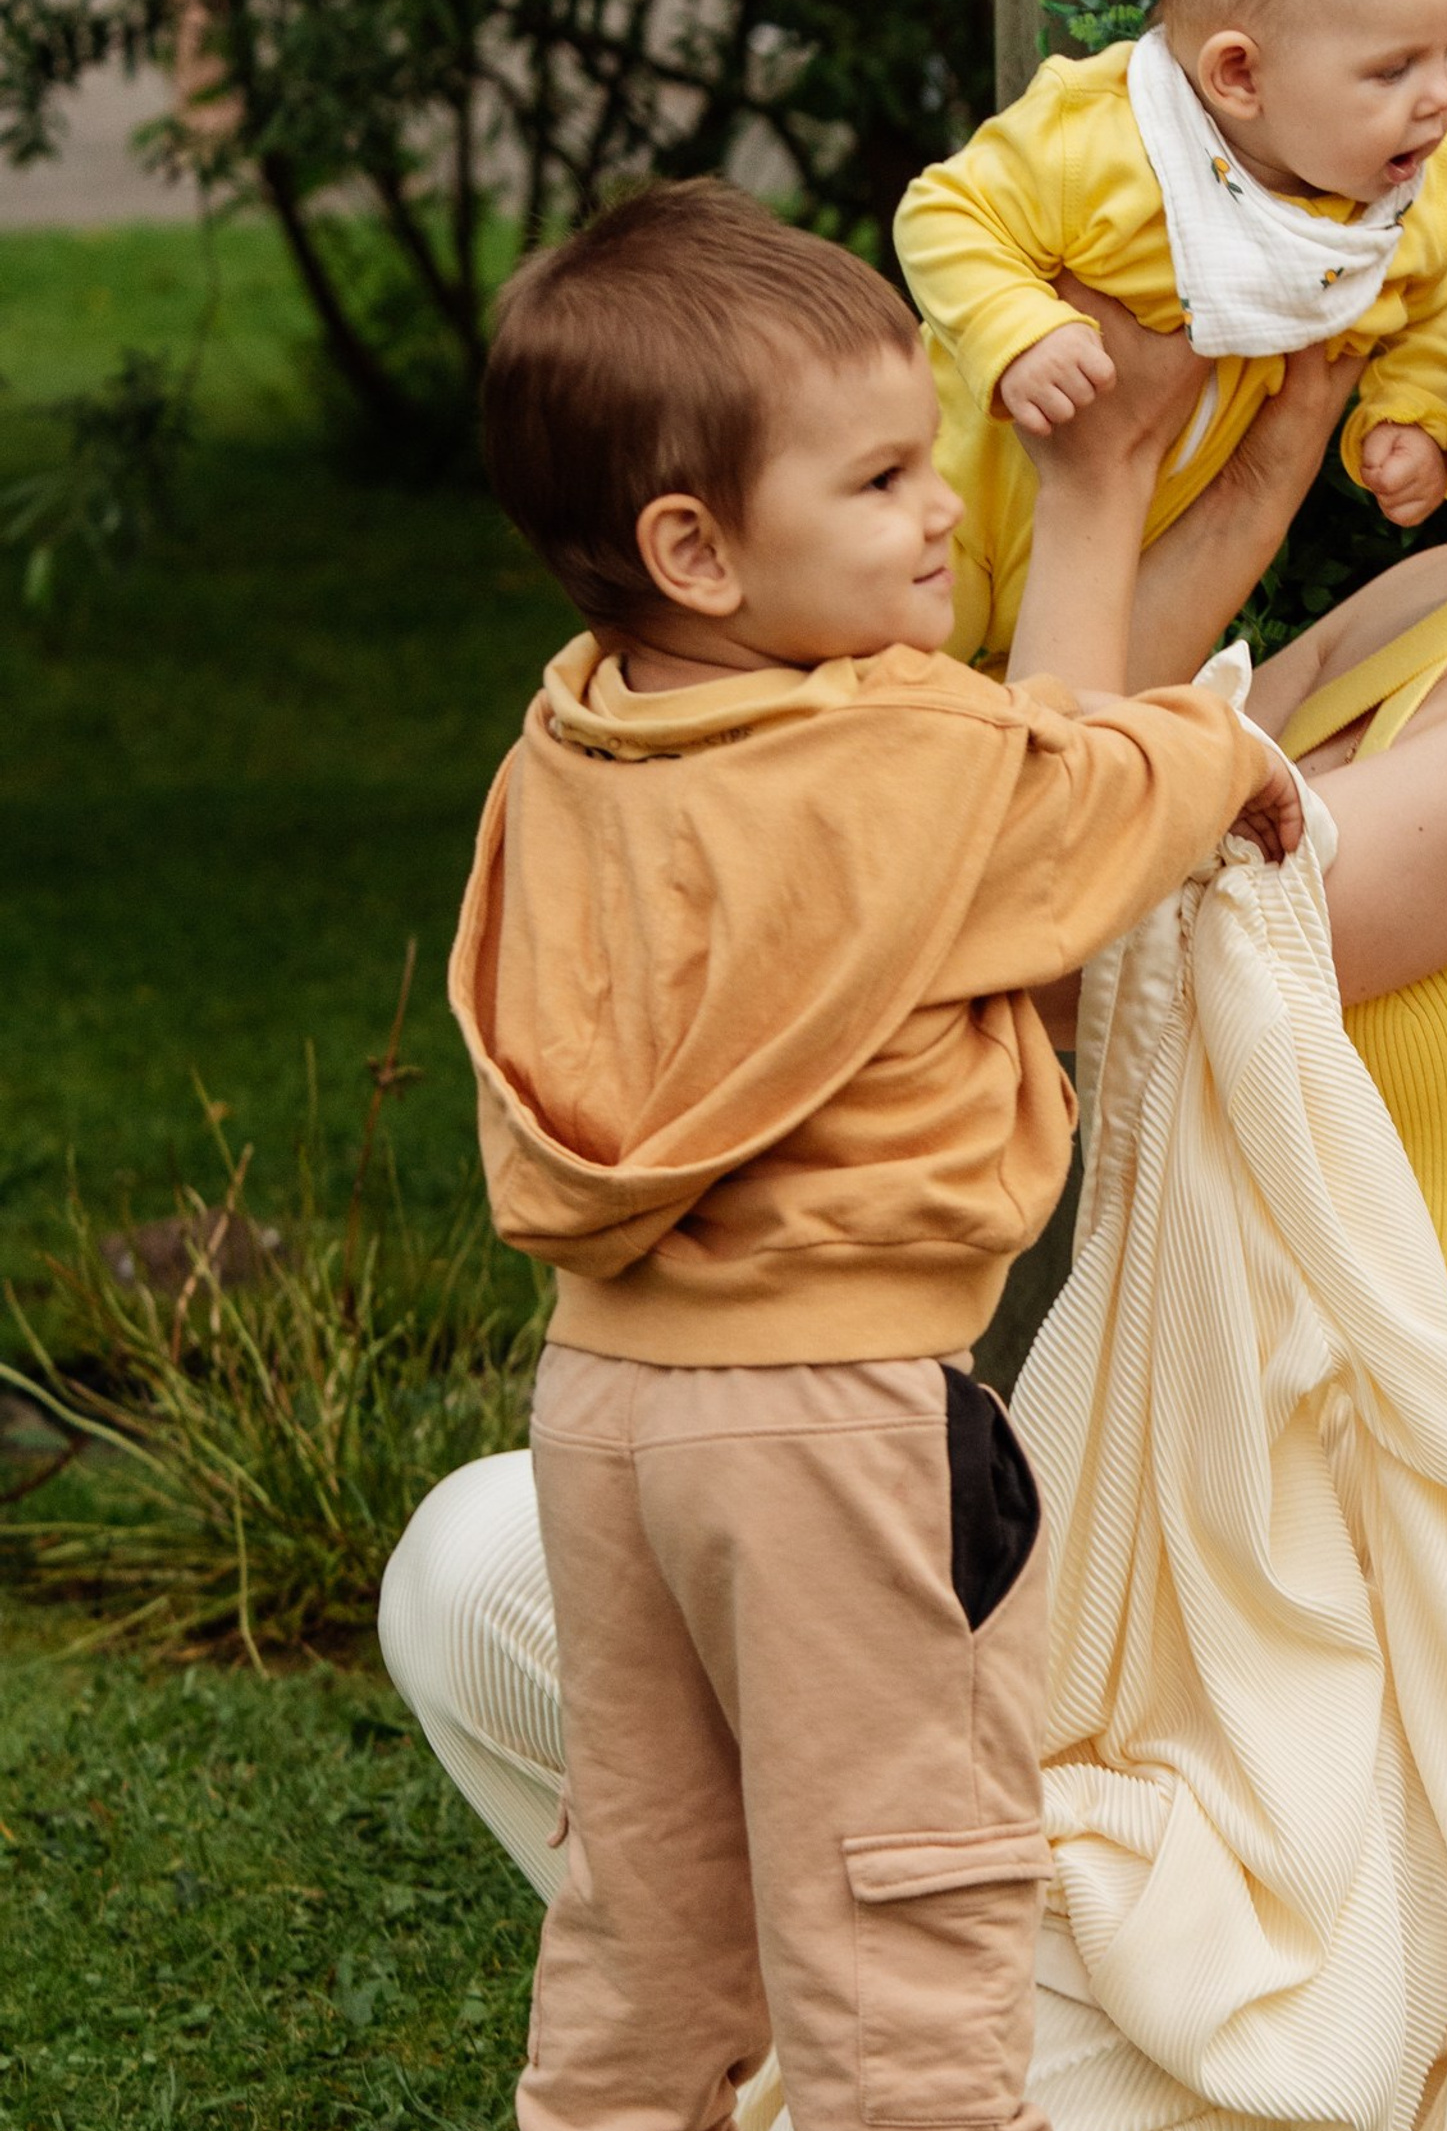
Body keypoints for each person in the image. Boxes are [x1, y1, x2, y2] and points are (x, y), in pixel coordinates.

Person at [385, 51, 1447, 2129]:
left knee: (939, 2028)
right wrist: (1212, 445)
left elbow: (1062, 936)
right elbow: (1059, 761)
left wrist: (1090, 521)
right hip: (1183, 1457)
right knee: (490, 1583)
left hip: (1426, 1544)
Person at [448, 176, 1297, 2131]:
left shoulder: (567, 747)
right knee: (899, 1923)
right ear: (696, 544)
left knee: (642, 1912)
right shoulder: (898, 763)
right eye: (882, 476)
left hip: (600, 1405)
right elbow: (1090, 781)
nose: (939, 506)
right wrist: (1230, 752)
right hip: (834, 1422)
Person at [895, 0, 1447, 669]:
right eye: (1393, 68)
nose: (1440, 97)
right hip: (952, 500)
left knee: (1033, 720)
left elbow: (1436, 298)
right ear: (1239, 75)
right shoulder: (1105, 139)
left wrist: (1416, 408)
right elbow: (944, 213)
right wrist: (1015, 331)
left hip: (1131, 558)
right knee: (896, 691)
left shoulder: (1411, 190)